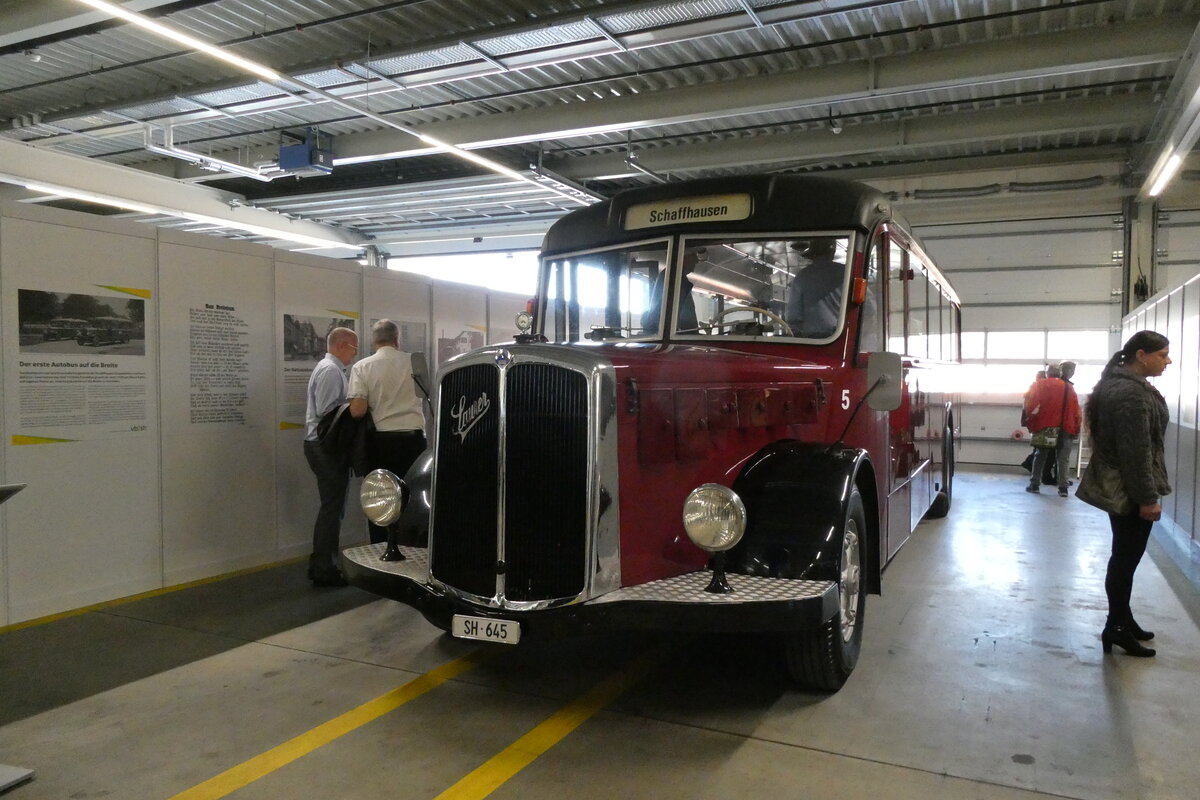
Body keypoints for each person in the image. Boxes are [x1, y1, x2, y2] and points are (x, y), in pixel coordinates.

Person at [1076, 330, 1172, 658]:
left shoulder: (1119, 385)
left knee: (1124, 558)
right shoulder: (1130, 394)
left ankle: (1123, 618)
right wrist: (1147, 498)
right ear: (1141, 355)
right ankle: (1116, 626)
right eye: (1162, 355)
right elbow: (1136, 452)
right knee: (1125, 560)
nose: (1167, 361)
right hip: (1130, 491)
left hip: (1124, 486)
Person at [348, 319, 427, 544]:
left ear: (374, 341)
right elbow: (427, 396)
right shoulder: (415, 363)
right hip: (414, 441)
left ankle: (382, 548)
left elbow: (357, 411)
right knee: (412, 497)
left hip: (382, 443)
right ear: (397, 339)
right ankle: (412, 547)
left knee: (381, 498)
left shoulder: (362, 367)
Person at [303, 326, 358, 587]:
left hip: (323, 447)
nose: (355, 355)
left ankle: (322, 564)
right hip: (324, 448)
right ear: (341, 345)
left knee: (332, 508)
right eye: (354, 348)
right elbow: (328, 414)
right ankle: (324, 568)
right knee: (332, 509)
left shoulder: (333, 369)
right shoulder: (330, 371)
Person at [1024, 362, 1081, 496]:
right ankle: (1063, 489)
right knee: (1063, 459)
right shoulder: (1069, 387)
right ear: (1060, 373)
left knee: (1040, 456)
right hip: (1065, 427)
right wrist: (1076, 428)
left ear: (1048, 373)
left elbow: (1030, 406)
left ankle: (1035, 485)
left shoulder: (1040, 385)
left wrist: (1031, 423)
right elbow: (1076, 411)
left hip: (1046, 426)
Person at [784, 238, 845, 338]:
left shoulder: (802, 276)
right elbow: (870, 307)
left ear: (812, 255)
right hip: (842, 338)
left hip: (813, 341)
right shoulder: (846, 273)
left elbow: (793, 316)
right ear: (832, 253)